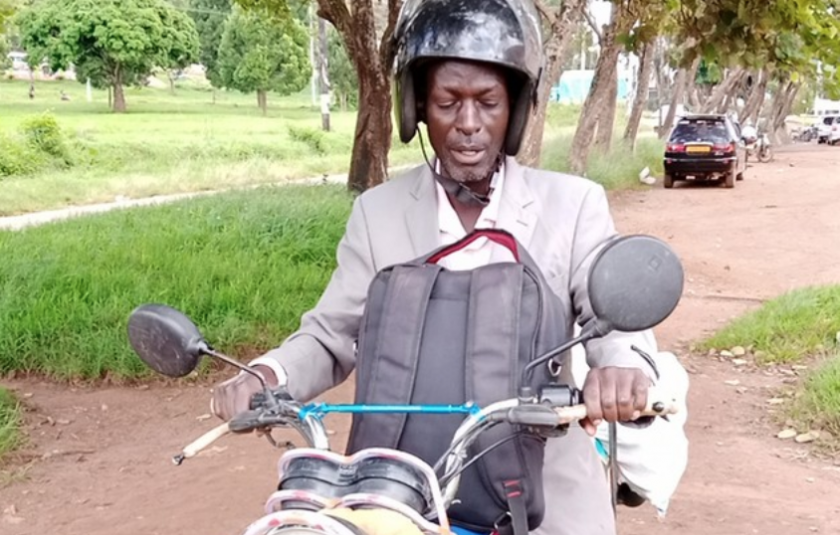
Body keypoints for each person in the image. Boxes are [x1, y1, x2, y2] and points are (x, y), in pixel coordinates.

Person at [211, 0, 665, 533]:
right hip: (399, 493)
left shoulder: (573, 205)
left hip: (545, 496)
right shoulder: (377, 214)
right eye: (449, 102)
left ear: (514, 108)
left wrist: (621, 368)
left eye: (488, 102)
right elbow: (330, 335)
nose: (468, 124)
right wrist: (267, 373)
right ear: (419, 106)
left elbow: (611, 315)